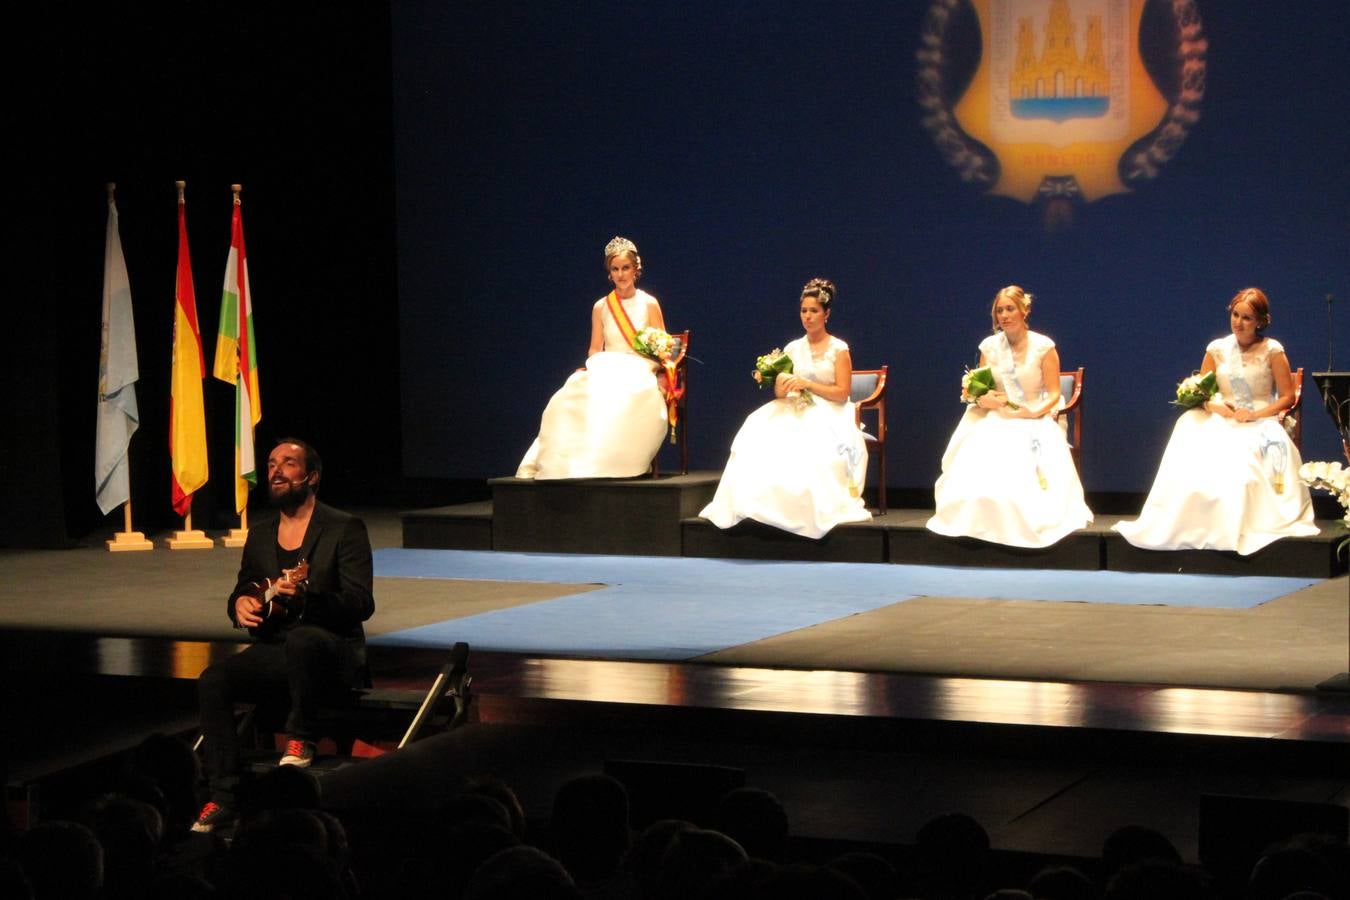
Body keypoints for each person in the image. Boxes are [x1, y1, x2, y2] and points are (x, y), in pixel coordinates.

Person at [192, 438, 375, 834]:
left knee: (303, 639)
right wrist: (239, 605)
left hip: (333, 649)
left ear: (311, 476)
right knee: (214, 679)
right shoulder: (260, 534)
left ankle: (302, 738)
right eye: (272, 463)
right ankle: (224, 793)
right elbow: (245, 587)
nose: (276, 470)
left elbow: (361, 603)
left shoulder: (344, 527)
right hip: (279, 650)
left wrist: (310, 599)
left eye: (288, 463)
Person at [1113, 287, 1316, 553]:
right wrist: (1215, 406)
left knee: (1242, 460)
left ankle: (1234, 524)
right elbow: (1202, 391)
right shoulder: (1218, 349)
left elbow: (1288, 397)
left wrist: (1255, 414)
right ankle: (1190, 523)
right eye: (1235, 315)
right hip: (1221, 416)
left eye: (1246, 318)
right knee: (1188, 427)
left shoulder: (1272, 350)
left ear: (1259, 322)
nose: (1238, 323)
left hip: (1258, 418)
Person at [699, 278, 870, 539]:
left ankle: (803, 511)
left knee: (812, 447)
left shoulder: (839, 349)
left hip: (829, 411)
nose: (808, 317)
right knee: (759, 433)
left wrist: (807, 384)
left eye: (814, 311)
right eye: (804, 311)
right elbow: (781, 391)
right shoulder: (792, 348)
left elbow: (842, 393)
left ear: (827, 314)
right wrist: (781, 383)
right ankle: (760, 508)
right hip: (794, 405)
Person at [926, 285, 1092, 548]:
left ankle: (1018, 518)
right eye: (999, 310)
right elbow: (980, 386)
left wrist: (1032, 412)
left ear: (1024, 310)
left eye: (1010, 308)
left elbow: (1053, 394)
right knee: (982, 444)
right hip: (997, 414)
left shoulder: (1043, 346)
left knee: (1018, 450)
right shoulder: (990, 347)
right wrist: (982, 398)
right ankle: (979, 518)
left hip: (1034, 415)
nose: (1004, 315)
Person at [516, 236, 669, 479]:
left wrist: (659, 364)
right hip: (608, 364)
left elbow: (664, 346)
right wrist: (591, 367)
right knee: (570, 392)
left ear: (636, 269)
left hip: (640, 367)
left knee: (629, 390)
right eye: (615, 269)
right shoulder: (601, 306)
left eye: (625, 268)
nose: (620, 275)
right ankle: (569, 462)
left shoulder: (649, 303)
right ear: (609, 273)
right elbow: (595, 348)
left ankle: (619, 462)